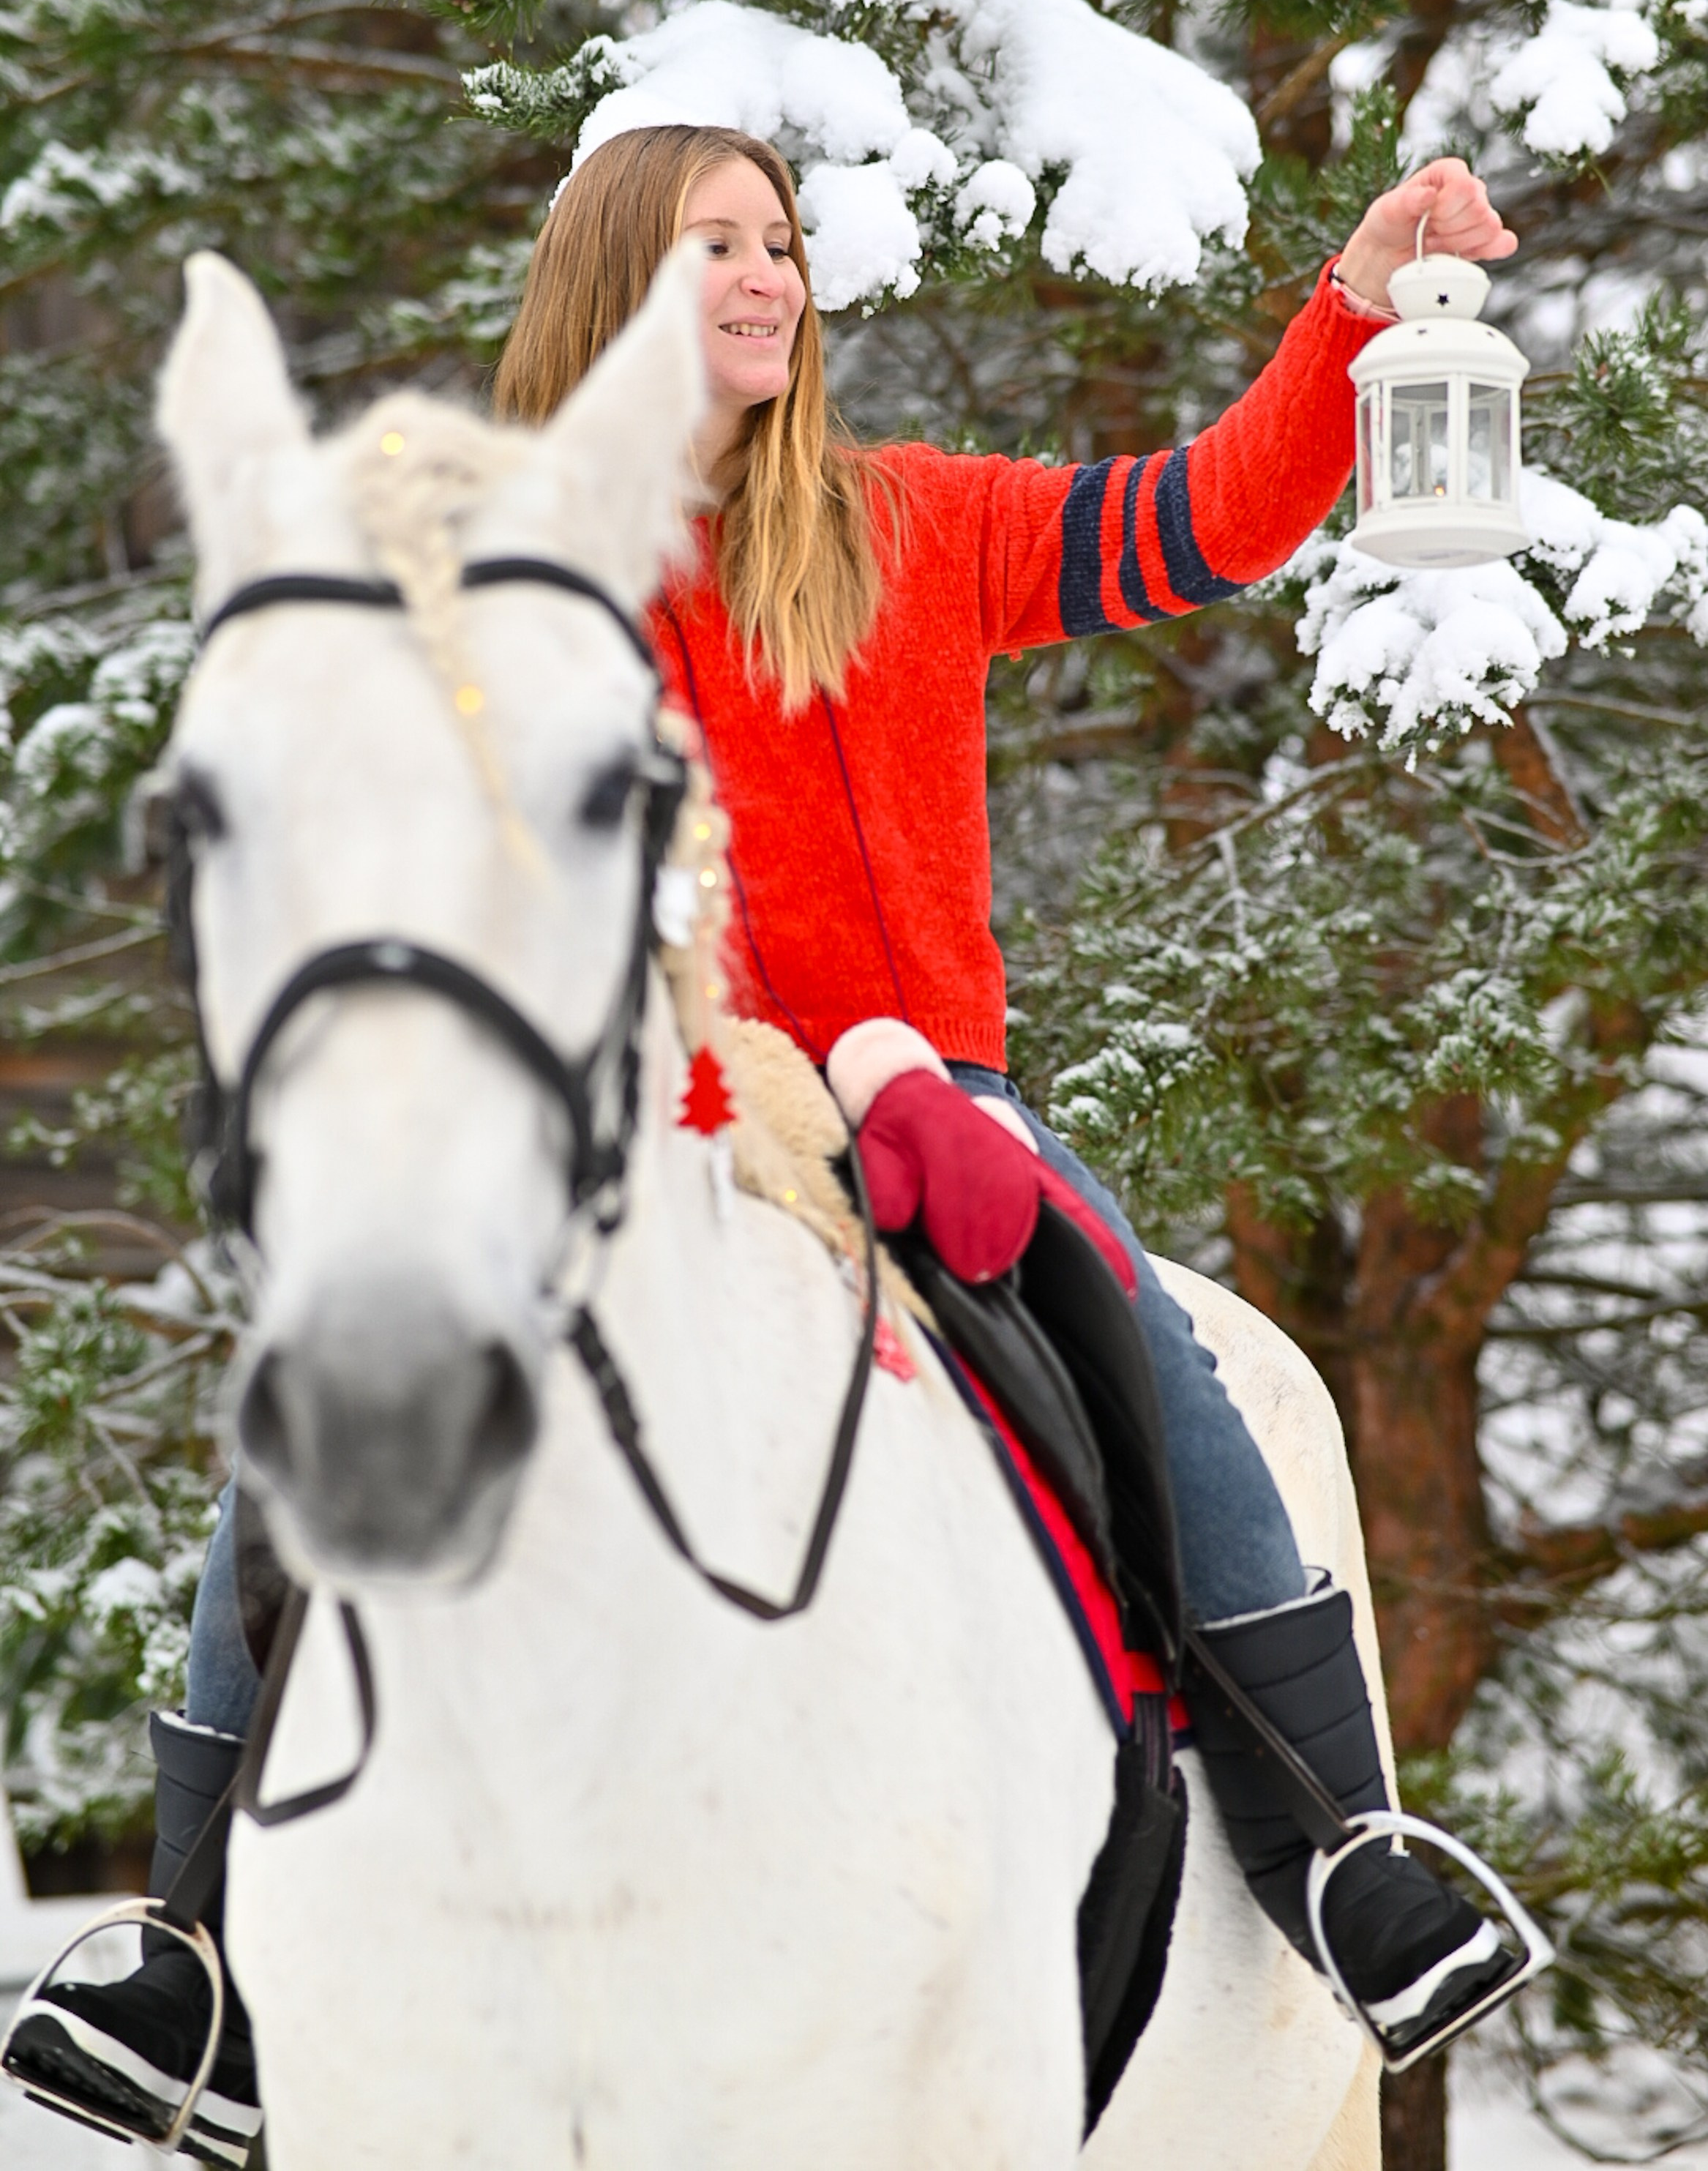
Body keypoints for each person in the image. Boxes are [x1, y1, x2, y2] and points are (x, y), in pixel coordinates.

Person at [7, 125, 1526, 2157]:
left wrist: (1355, 299)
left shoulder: (915, 521)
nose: (765, 275)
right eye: (713, 242)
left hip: (923, 1095)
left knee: (1144, 1347)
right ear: (611, 286)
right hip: (648, 1103)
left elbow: (1211, 517)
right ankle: (195, 1949)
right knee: (314, 1407)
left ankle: (1335, 1845)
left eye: (781, 242)